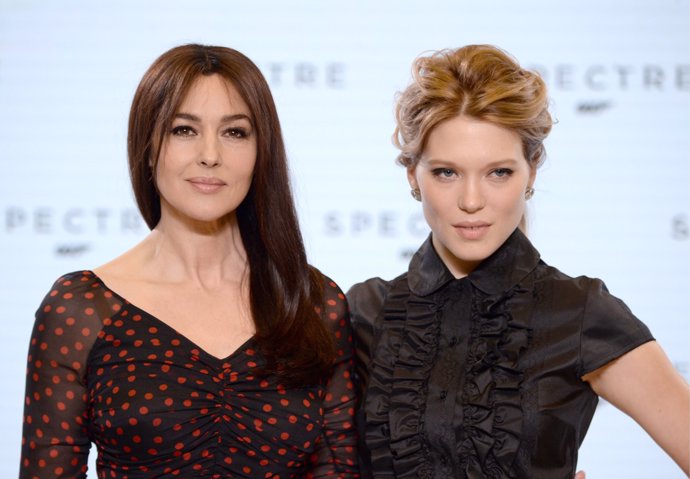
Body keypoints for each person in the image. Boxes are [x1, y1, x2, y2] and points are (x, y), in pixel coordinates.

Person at [347, 44, 689, 478]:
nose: (471, 201)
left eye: (499, 172)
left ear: (533, 169)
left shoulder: (580, 311)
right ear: (413, 173)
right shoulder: (366, 311)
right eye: (446, 172)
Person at [19, 44, 360, 478]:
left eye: (235, 132)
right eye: (184, 130)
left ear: (261, 153)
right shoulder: (80, 309)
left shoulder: (313, 303)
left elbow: (340, 469)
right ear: (147, 145)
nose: (210, 154)